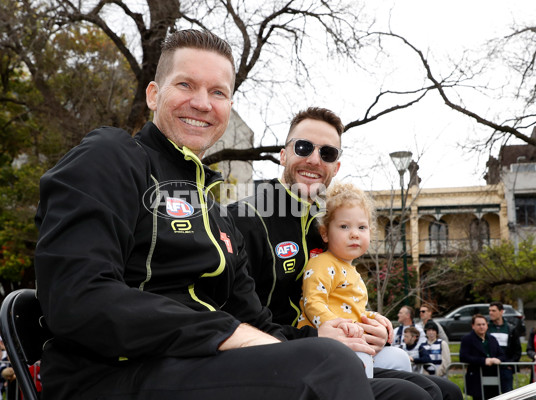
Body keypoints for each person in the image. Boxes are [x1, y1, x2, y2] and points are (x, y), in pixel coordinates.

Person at [34, 29, 426, 400]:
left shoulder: (213, 212)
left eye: (218, 92)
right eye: (186, 84)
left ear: (228, 107)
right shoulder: (111, 156)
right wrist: (229, 334)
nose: (202, 103)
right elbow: (75, 296)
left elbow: (254, 319)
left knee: (412, 391)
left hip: (199, 367)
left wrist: (325, 334)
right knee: (330, 366)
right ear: (154, 94)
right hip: (109, 373)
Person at [228, 107, 463, 400]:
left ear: (336, 167)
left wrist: (369, 328)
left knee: (446, 391)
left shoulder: (329, 221)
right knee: (414, 395)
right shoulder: (244, 218)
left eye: (327, 153)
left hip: (329, 352)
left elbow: (342, 293)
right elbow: (236, 319)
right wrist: (317, 337)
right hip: (273, 363)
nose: (314, 159)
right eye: (303, 147)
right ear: (283, 155)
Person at [296, 181, 402, 377]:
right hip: (322, 345)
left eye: (362, 227)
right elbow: (313, 302)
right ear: (325, 234)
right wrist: (337, 324)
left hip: (353, 340)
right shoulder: (322, 263)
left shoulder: (353, 272)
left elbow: (354, 311)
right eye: (344, 226)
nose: (354, 234)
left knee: (399, 358)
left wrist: (373, 318)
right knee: (360, 357)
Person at [460, 314, 505, 400]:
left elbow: (502, 354)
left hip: (493, 376)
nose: (481, 327)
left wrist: (498, 359)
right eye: (479, 325)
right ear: (473, 326)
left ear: (487, 325)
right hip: (476, 377)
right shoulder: (467, 339)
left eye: (483, 324)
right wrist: (483, 361)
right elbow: (463, 356)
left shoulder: (492, 339)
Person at [488, 301, 521, 393]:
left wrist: (510, 364)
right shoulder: (486, 327)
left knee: (507, 393)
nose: (491, 313)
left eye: (493, 311)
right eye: (489, 311)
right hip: (490, 368)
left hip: (506, 368)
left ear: (501, 311)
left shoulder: (510, 328)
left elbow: (517, 349)